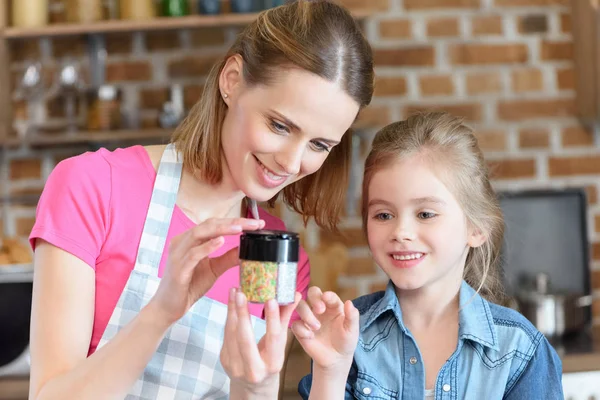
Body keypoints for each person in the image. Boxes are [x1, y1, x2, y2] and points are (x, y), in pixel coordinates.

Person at [27, 0, 374, 398]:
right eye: (279, 125)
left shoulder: (276, 259)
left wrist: (257, 383)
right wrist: (161, 312)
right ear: (232, 80)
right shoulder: (92, 188)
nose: (292, 161)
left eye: (318, 144)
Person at [292, 112, 564, 399]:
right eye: (383, 214)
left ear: (476, 227)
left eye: (425, 214)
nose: (401, 231)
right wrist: (330, 371)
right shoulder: (347, 335)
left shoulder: (520, 350)